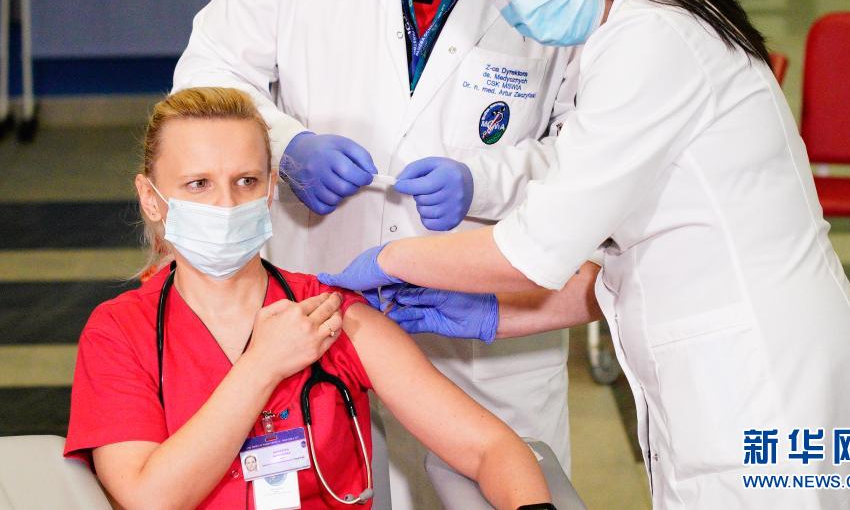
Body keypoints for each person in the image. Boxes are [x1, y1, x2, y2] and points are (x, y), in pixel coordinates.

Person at [319, 0, 850, 509]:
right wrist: (495, 314)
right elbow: (621, 223)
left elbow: (536, 247)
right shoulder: (626, 20)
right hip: (731, 368)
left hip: (762, 378)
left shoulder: (649, 39)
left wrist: (389, 259)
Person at [172, 0, 583, 505]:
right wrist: (285, 146)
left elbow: (592, 144)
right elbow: (209, 72)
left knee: (508, 474)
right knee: (325, 480)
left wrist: (485, 181)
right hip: (320, 287)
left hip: (488, 309)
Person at [64, 87, 556, 510]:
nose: (227, 204)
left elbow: (490, 448)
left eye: (246, 181)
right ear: (151, 198)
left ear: (270, 190)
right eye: (198, 184)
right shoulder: (120, 333)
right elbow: (149, 498)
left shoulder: (329, 312)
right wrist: (262, 365)